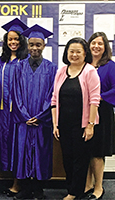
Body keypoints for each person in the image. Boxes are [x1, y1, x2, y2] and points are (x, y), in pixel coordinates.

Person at [11, 24, 58, 199]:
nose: (34, 48)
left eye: (38, 44)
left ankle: (39, 189)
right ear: (27, 45)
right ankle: (25, 189)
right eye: (31, 44)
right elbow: (15, 94)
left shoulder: (52, 68)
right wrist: (24, 116)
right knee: (23, 152)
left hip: (41, 121)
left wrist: (40, 116)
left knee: (41, 153)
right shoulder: (18, 67)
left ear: (44, 46)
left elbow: (52, 94)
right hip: (24, 120)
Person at [51, 37, 100, 200]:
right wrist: (55, 124)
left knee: (80, 160)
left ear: (85, 53)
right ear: (67, 53)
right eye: (71, 51)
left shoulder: (89, 71)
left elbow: (94, 100)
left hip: (82, 124)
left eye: (78, 51)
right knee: (67, 159)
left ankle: (75, 193)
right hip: (64, 124)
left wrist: (90, 125)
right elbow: (54, 100)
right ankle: (71, 189)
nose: (74, 54)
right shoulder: (61, 71)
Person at [0, 18, 28, 197]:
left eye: (16, 39)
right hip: (2, 112)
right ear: (6, 42)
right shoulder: (0, 62)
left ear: (22, 41)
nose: (13, 42)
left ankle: (18, 183)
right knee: (5, 144)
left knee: (18, 145)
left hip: (19, 112)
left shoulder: (27, 60)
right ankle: (11, 179)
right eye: (10, 39)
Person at [83, 32, 115, 200]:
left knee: (97, 152)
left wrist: (100, 96)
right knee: (86, 150)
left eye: (100, 44)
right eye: (93, 43)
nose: (96, 46)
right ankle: (87, 185)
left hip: (102, 113)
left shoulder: (110, 66)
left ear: (105, 47)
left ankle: (98, 187)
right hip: (84, 113)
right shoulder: (84, 64)